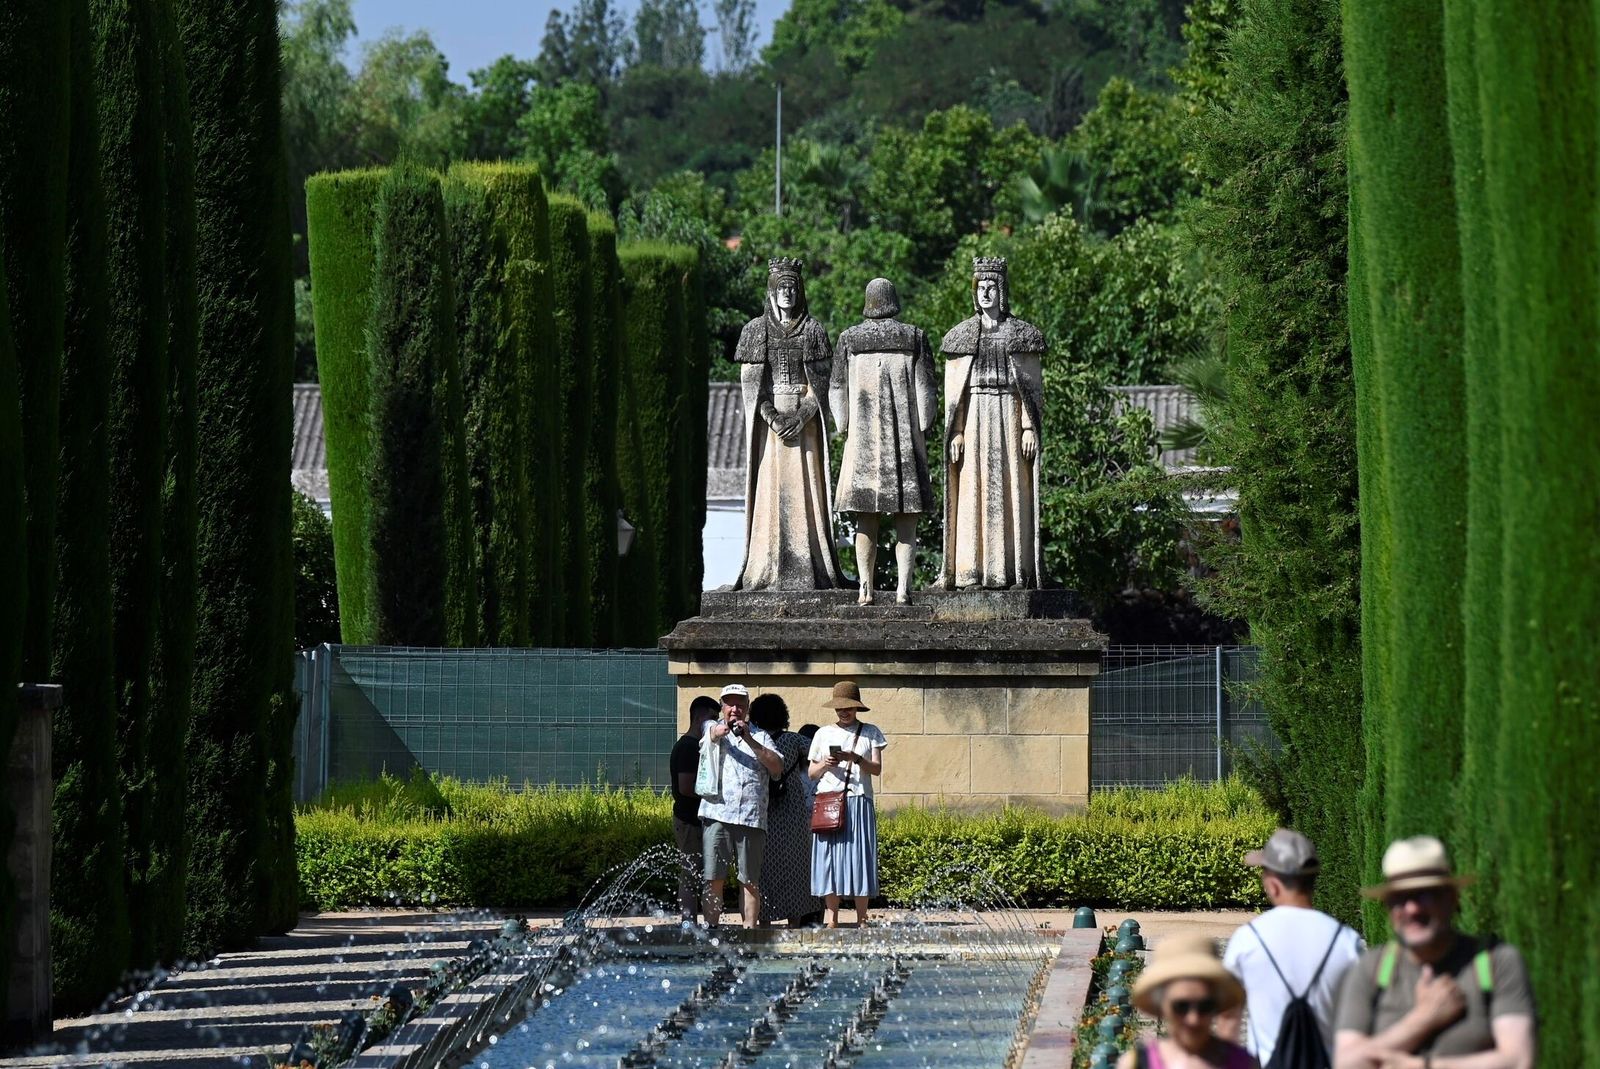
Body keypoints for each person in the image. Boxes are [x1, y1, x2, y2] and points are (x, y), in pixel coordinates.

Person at [1332, 836, 1536, 1069]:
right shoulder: (1371, 969)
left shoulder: (1496, 962)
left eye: (1424, 894)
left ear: (1451, 897)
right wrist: (1423, 1019)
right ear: (1388, 906)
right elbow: (1346, 1063)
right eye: (1400, 898)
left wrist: (1422, 1066)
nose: (1412, 908)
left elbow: (1519, 1061)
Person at [733, 257, 843, 590]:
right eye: (782, 287)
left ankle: (811, 566)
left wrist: (801, 416)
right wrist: (773, 417)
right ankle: (765, 566)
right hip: (771, 431)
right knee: (770, 494)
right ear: (771, 291)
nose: (787, 293)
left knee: (807, 491)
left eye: (792, 287)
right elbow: (753, 388)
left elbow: (821, 386)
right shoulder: (755, 331)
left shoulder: (813, 330)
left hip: (804, 427)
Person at [829, 277, 938, 605]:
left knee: (866, 518)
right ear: (894, 300)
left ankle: (866, 587)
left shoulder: (849, 339)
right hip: (904, 443)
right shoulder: (914, 338)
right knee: (908, 519)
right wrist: (923, 426)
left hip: (863, 444)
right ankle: (904, 588)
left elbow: (836, 390)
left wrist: (844, 425)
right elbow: (927, 394)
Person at [939, 256, 1045, 590]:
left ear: (1002, 291)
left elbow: (1031, 389)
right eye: (981, 287)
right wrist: (956, 431)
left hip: (1009, 415)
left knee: (1010, 490)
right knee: (972, 491)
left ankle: (1012, 570)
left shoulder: (1022, 335)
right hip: (974, 418)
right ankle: (972, 571)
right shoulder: (961, 337)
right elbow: (956, 393)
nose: (986, 294)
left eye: (992, 287)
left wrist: (1028, 425)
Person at [1221, 828, 1362, 1068]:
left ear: (1273, 884)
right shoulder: (1347, 941)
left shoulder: (1248, 940)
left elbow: (1228, 1020)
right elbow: (1361, 1024)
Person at [697, 683, 785, 927]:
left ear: (747, 709)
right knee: (713, 878)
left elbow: (777, 767)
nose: (734, 709)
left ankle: (749, 933)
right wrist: (719, 731)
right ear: (722, 707)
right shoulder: (711, 727)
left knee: (749, 881)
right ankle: (711, 933)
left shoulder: (761, 736)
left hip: (751, 817)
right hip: (717, 814)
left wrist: (748, 739)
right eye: (729, 703)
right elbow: (709, 732)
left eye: (740, 704)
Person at [807, 681, 887, 928]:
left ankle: (862, 917)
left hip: (859, 800)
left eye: (848, 707)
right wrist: (826, 764)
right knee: (829, 859)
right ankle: (832, 917)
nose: (844, 712)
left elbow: (877, 769)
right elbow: (811, 772)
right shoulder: (822, 733)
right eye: (839, 708)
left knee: (860, 858)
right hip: (829, 801)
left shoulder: (871, 731)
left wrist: (857, 758)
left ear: (856, 708)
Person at [1122, 934, 1257, 1069]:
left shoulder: (1245, 1064)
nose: (1193, 1019)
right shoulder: (1136, 1064)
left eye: (1205, 1006)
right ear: (1160, 1004)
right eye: (1181, 1006)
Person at [749, 694, 822, 927]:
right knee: (796, 866)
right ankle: (794, 923)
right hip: (792, 807)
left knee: (763, 869)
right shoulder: (794, 740)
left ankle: (764, 923)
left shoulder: (754, 740)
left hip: (763, 806)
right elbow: (818, 753)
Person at [668, 696, 719, 921]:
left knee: (700, 873)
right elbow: (687, 787)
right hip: (689, 820)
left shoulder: (692, 745)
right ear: (699, 718)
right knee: (690, 874)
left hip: (693, 819)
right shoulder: (688, 747)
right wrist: (715, 792)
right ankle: (688, 923)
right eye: (712, 718)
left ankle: (696, 922)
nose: (715, 723)